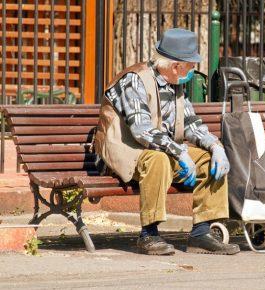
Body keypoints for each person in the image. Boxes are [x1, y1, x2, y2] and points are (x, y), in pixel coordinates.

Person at [94, 28, 239, 256]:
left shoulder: (175, 84)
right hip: (125, 151)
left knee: (209, 160)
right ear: (175, 66)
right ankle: (149, 234)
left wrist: (216, 146)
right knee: (159, 159)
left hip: (162, 150)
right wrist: (179, 153)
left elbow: (191, 125)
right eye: (191, 65)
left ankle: (201, 233)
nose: (193, 70)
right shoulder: (135, 80)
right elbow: (142, 131)